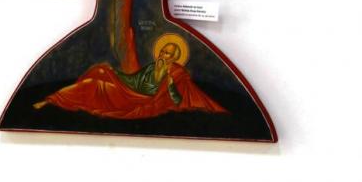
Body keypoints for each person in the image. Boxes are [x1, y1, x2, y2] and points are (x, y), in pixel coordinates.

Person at [33, 41, 226, 119]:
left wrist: (170, 85)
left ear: (175, 57)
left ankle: (53, 100)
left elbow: (177, 100)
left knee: (94, 86)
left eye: (168, 53)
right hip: (128, 94)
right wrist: (115, 74)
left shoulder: (177, 74)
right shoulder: (151, 67)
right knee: (98, 75)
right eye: (162, 51)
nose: (163, 55)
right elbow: (133, 81)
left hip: (140, 102)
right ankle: (53, 100)